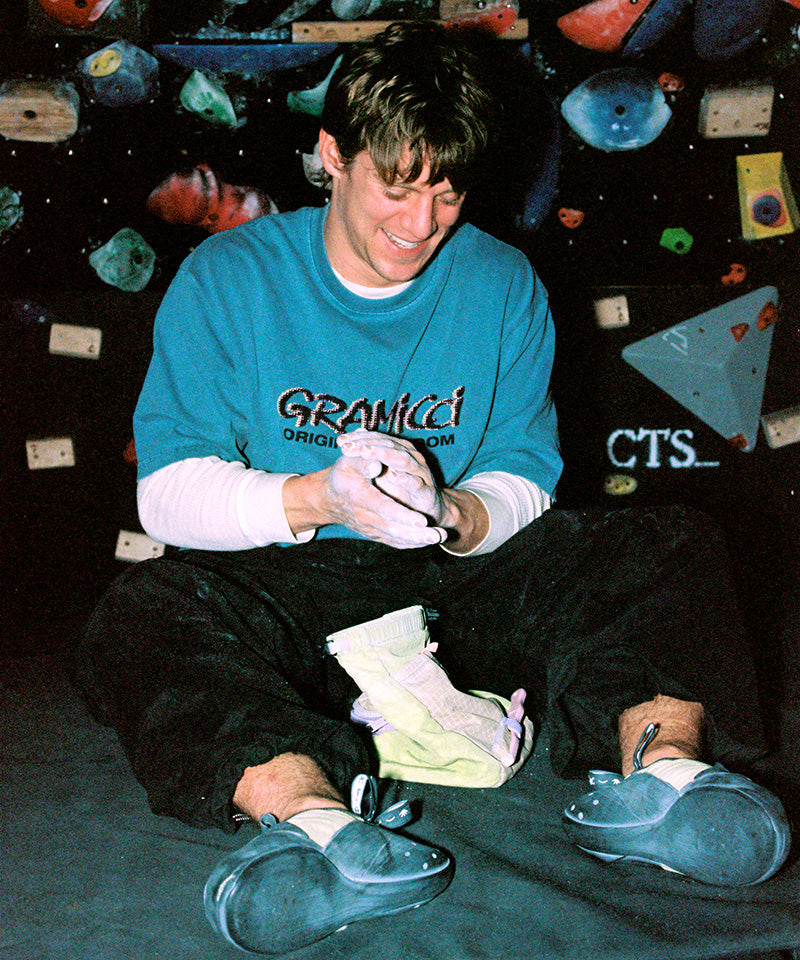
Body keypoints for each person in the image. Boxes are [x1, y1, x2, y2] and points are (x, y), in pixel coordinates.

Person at [75, 21, 790, 957]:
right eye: (397, 187)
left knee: (666, 543)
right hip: (291, 600)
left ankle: (665, 787)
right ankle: (317, 828)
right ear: (333, 155)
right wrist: (324, 499)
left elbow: (525, 473)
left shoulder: (502, 281)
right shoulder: (227, 277)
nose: (420, 226)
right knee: (140, 611)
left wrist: (455, 512)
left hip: (455, 591)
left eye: (447, 194)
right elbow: (167, 494)